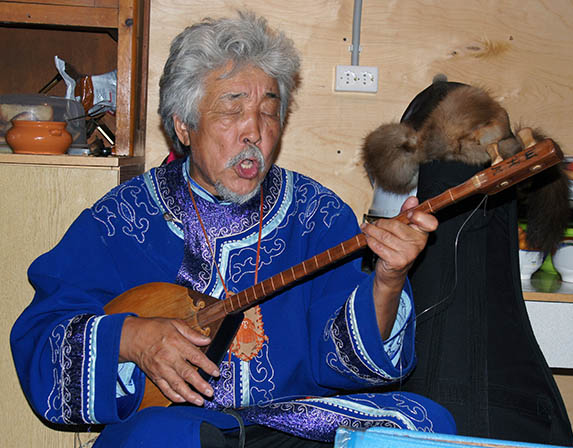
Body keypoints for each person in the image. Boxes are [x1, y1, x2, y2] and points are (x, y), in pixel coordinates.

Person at [10, 11, 456, 447]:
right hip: (181, 429)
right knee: (162, 437)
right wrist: (131, 338)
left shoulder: (316, 214)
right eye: (233, 109)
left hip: (289, 422)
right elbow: (41, 339)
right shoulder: (124, 219)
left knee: (426, 422)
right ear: (184, 126)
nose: (255, 133)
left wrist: (389, 280)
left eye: (269, 111)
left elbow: (348, 362)